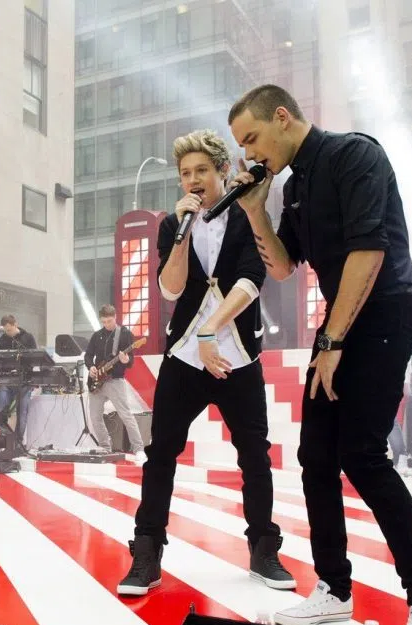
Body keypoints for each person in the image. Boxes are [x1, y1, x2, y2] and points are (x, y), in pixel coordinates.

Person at [227, 84, 412, 625]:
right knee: (315, 457)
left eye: (253, 138)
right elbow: (282, 267)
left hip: (384, 311)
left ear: (282, 118)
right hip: (340, 322)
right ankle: (334, 589)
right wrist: (257, 210)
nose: (251, 154)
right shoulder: (295, 184)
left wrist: (331, 342)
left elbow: (369, 251)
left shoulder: (354, 154)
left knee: (362, 453)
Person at [117, 130, 294, 596]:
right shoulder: (173, 224)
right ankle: (147, 550)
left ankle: (262, 548)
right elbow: (170, 291)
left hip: (237, 353)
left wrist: (213, 330)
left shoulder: (247, 214)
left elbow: (252, 280)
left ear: (221, 170)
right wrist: (181, 235)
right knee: (161, 455)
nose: (192, 180)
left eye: (201, 171)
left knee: (254, 454)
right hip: (185, 357)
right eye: (184, 174)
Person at [84, 304, 145, 458]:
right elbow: (88, 355)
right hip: (97, 382)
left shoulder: (124, 334)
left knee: (126, 415)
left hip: (115, 381)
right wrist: (91, 367)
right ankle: (105, 446)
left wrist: (125, 360)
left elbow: (130, 361)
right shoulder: (96, 335)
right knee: (95, 417)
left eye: (109, 321)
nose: (107, 325)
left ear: (115, 317)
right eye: (103, 322)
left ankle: (138, 448)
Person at [0, 314, 38, 444]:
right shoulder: (2, 340)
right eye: (5, 330)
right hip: (7, 379)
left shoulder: (28, 337)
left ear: (15, 325)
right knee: (0, 408)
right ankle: (0, 439)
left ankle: (18, 442)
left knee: (22, 412)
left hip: (24, 380)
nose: (7, 333)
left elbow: (34, 358)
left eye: (9, 330)